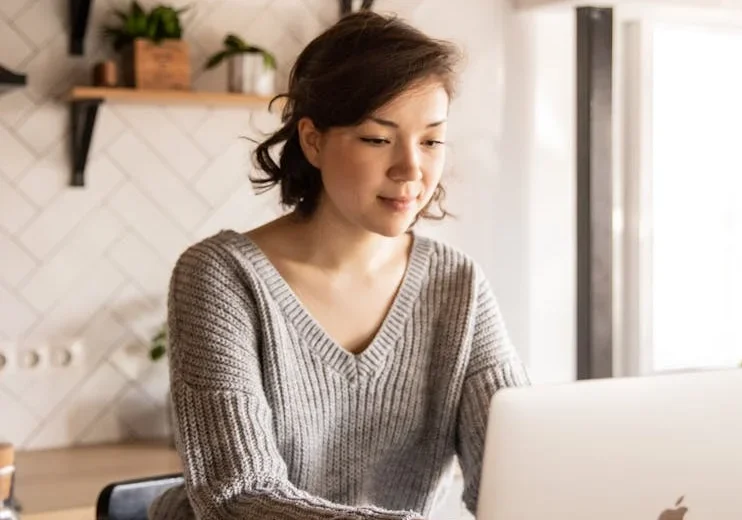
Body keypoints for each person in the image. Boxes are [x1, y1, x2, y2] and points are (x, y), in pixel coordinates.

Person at [149, 10, 530, 520]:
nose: (411, 169)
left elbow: (516, 471)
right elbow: (237, 496)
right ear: (312, 141)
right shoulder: (221, 277)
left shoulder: (457, 284)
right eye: (378, 138)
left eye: (432, 140)